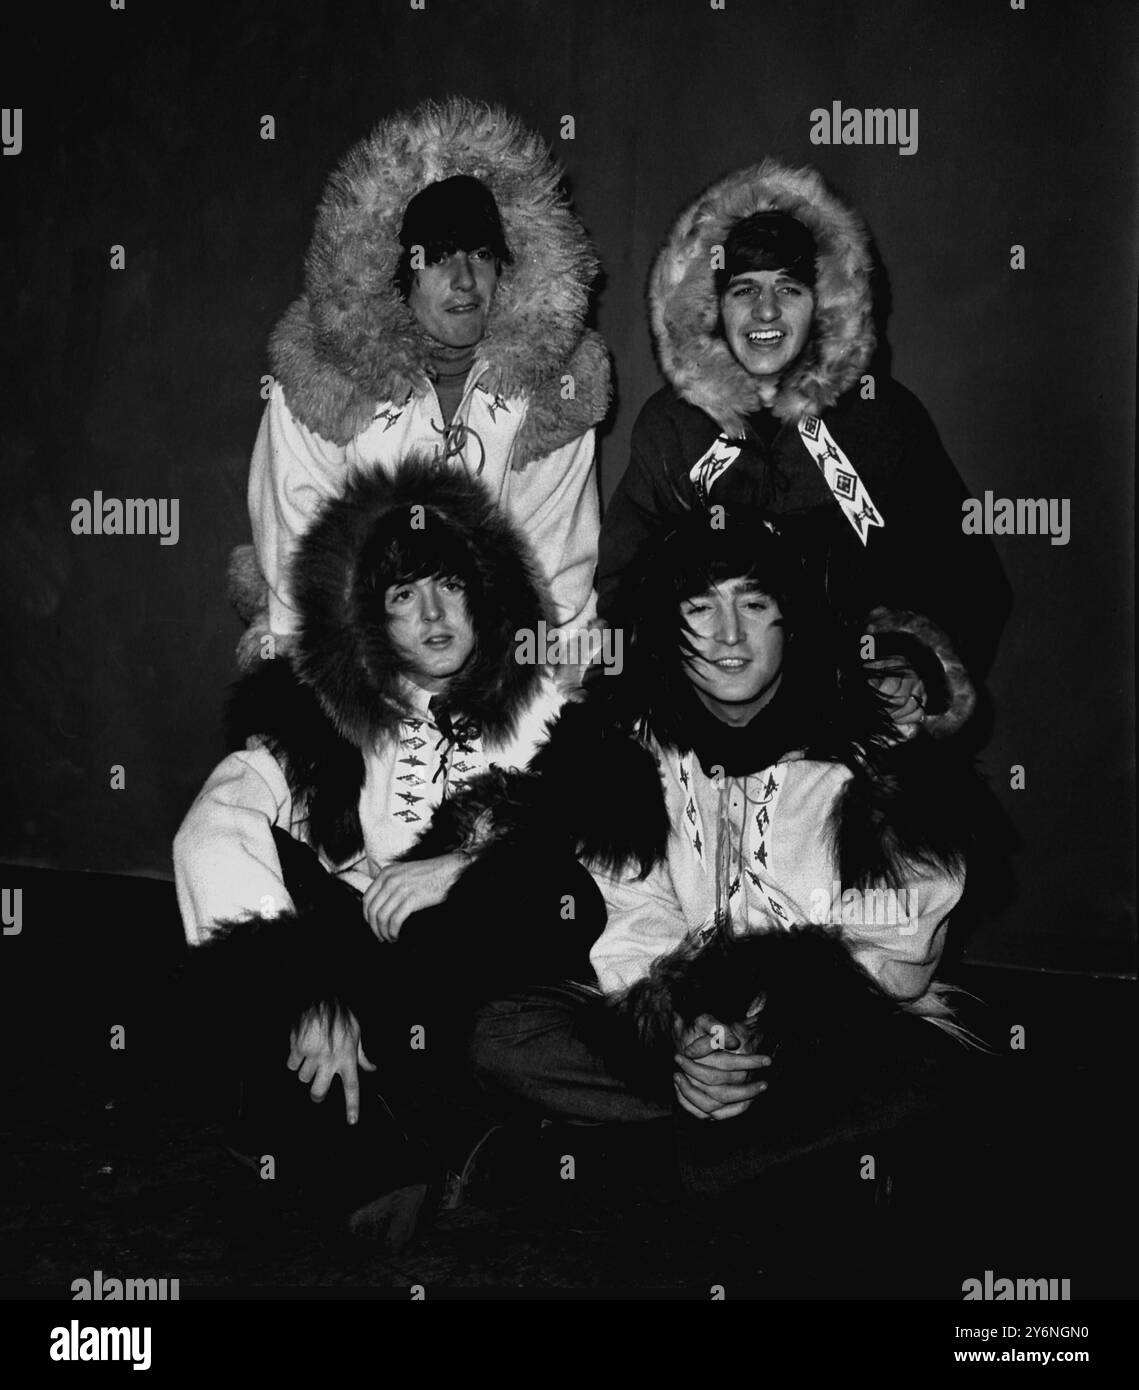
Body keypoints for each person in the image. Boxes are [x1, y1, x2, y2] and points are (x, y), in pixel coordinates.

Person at [464, 510, 980, 1203]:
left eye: (754, 605)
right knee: (505, 1035)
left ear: (789, 622)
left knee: (922, 1074)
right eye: (699, 608)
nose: (728, 636)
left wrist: (757, 1034)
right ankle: (765, 1160)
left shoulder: (878, 750)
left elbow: (898, 946)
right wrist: (681, 1035)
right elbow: (631, 910)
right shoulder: (635, 752)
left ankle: (644, 1163)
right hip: (688, 1029)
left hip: (824, 1037)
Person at [175, 457, 601, 1240]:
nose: (434, 615)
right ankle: (403, 1142)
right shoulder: (331, 715)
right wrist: (302, 988)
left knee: (549, 882)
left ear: (484, 589)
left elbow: (599, 867)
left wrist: (467, 861)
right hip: (370, 961)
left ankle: (333, 1126)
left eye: (450, 584)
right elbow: (218, 818)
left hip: (488, 977)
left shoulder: (548, 702)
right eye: (404, 596)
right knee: (263, 855)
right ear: (373, 616)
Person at [597, 158, 1010, 737]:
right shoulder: (673, 429)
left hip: (854, 730)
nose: (765, 312)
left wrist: (911, 667)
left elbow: (966, 583)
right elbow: (624, 590)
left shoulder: (883, 422)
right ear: (712, 307)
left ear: (825, 303)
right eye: (744, 290)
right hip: (712, 731)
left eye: (788, 288)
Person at [235, 96, 609, 672]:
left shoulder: (550, 392)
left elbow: (557, 580)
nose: (464, 280)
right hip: (355, 668)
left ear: (508, 266)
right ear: (394, 268)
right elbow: (299, 563)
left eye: (481, 254)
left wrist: (528, 700)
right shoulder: (323, 381)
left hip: (502, 672)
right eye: (435, 257)